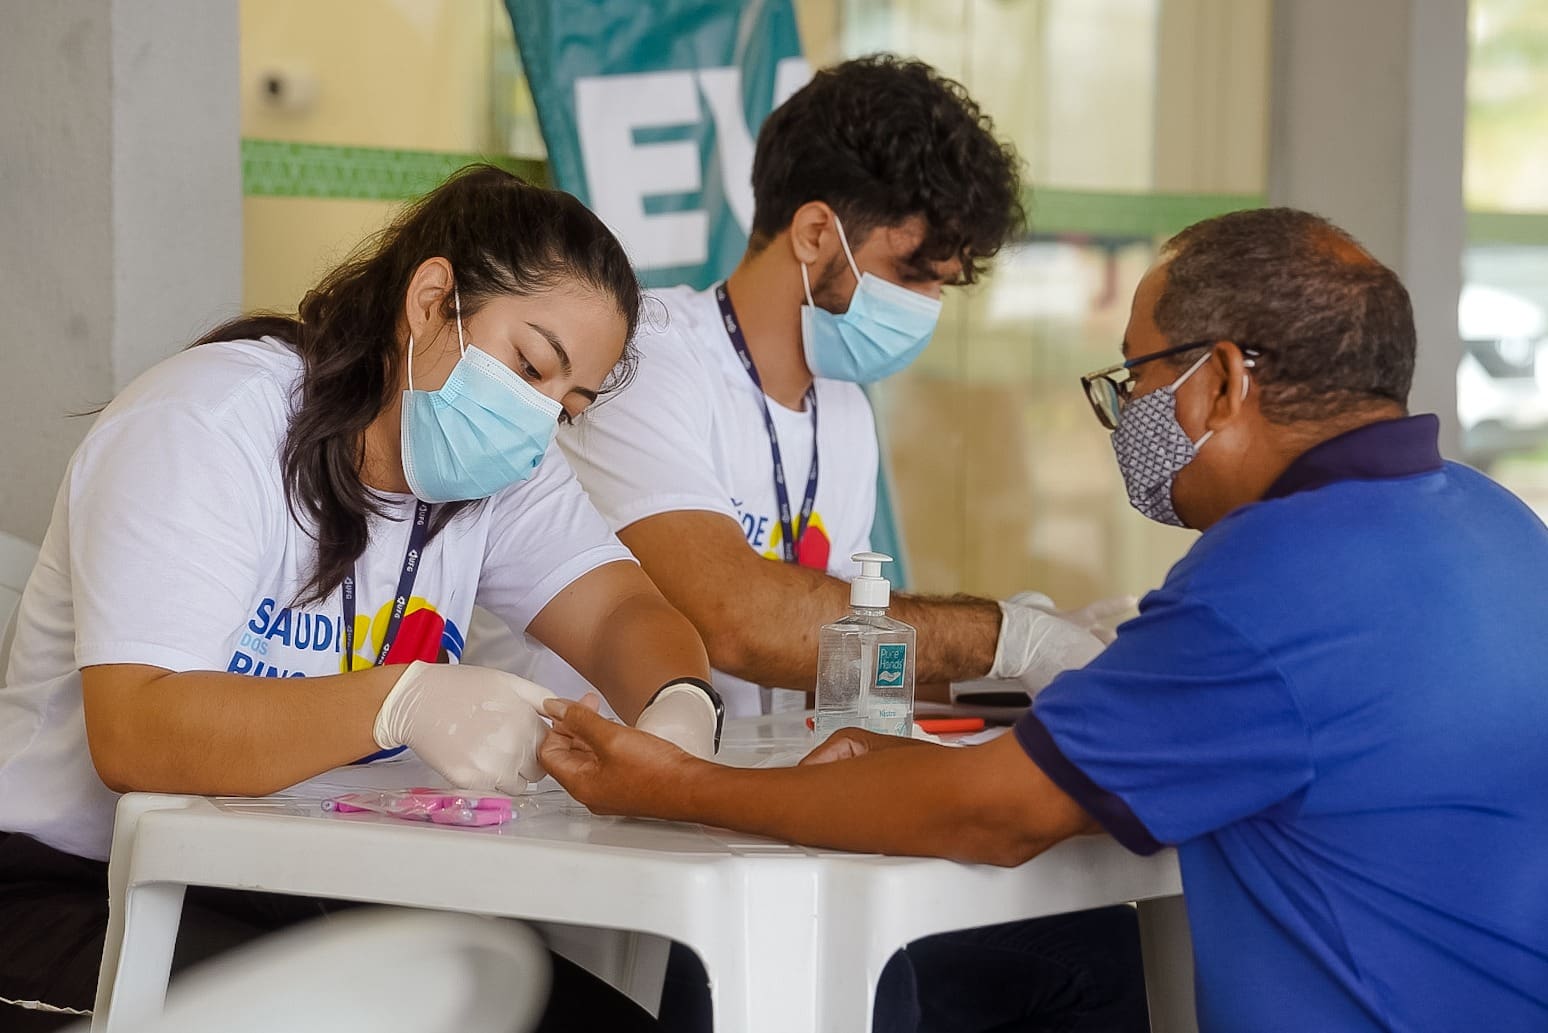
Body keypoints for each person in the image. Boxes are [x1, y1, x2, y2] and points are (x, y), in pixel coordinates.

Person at [535, 207, 1548, 1032]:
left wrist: (680, 783)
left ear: (1227, 380)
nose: (1130, 413)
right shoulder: (1498, 524)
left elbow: (997, 811)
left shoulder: (1277, 577)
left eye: (1142, 378)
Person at [471, 56, 1147, 1033]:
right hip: (612, 840)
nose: (926, 306)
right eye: (915, 272)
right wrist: (1012, 636)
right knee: (877, 987)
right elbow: (737, 620)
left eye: (945, 285)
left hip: (775, 825)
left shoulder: (844, 411)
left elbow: (851, 651)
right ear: (816, 233)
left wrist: (1076, 668)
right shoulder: (648, 358)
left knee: (1086, 949)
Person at [0, 165, 718, 1031]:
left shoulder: (500, 473)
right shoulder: (207, 425)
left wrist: (679, 707)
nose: (536, 424)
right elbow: (136, 731)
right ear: (429, 300)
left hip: (301, 885)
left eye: (566, 405)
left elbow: (618, 613)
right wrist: (398, 701)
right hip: (77, 887)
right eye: (529, 364)